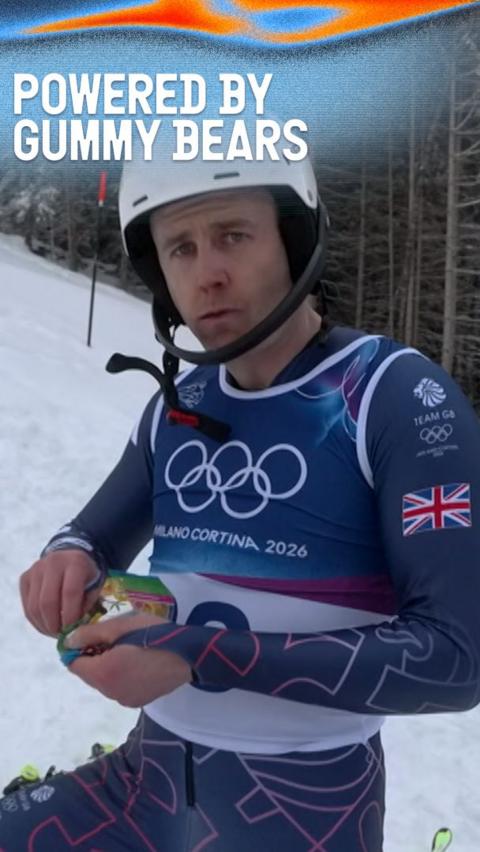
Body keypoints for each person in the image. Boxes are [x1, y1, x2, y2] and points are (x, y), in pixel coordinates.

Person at [3, 147, 480, 852]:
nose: (208, 274)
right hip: (144, 780)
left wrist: (197, 654)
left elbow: (456, 660)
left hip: (302, 811)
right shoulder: (179, 404)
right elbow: (92, 539)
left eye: (233, 235)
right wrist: (67, 561)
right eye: (181, 248)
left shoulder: (393, 396)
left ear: (293, 239)